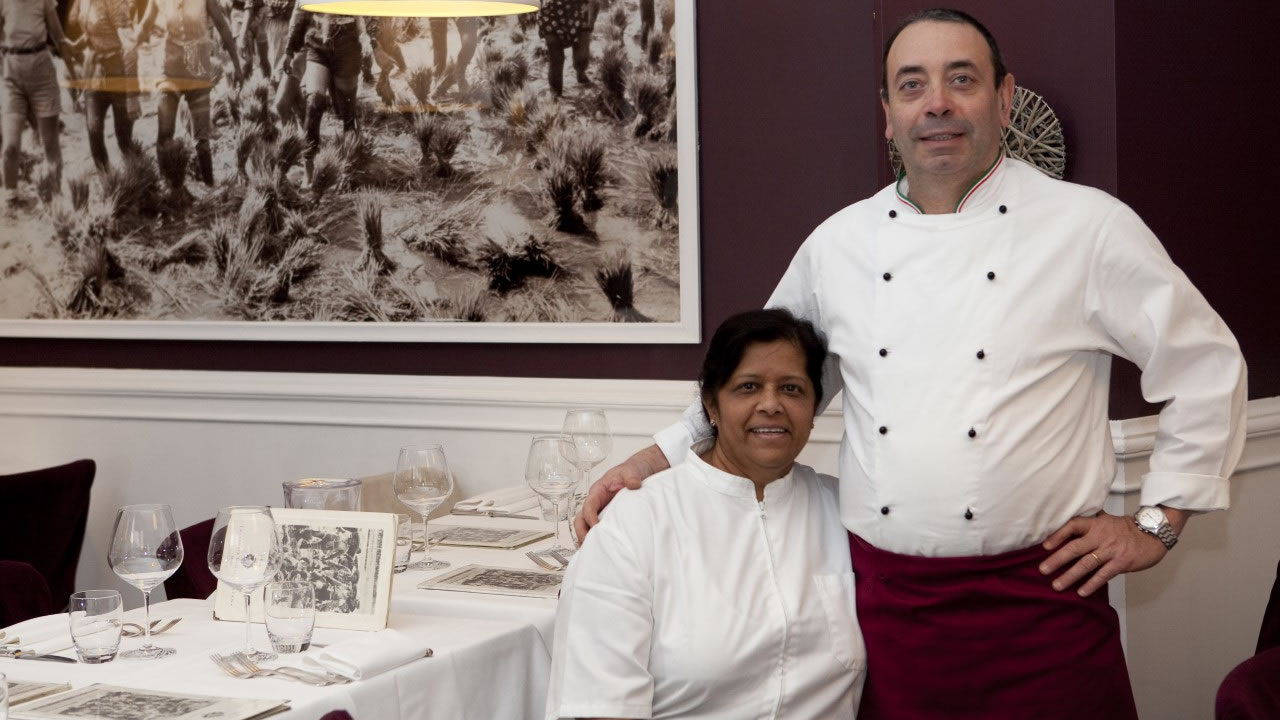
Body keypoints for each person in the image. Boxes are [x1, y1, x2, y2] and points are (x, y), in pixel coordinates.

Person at [578, 8, 1248, 719]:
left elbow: (1206, 365)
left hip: (1042, 606)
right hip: (891, 611)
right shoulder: (840, 244)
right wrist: (653, 460)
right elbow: (759, 381)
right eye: (912, 85)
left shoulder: (1088, 226)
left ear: (1005, 97)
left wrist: (1157, 524)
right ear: (888, 113)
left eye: (962, 80)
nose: (938, 104)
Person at [546, 308, 864, 719]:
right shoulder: (635, 524)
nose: (771, 404)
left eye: (792, 389)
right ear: (710, 406)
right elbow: (597, 706)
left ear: (813, 409)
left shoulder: (842, 512)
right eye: (748, 387)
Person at [137, 0, 242, 186]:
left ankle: (210, 188)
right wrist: (129, 53)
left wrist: (236, 64)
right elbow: (144, 26)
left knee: (201, 139)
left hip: (197, 70)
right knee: (165, 132)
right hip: (169, 69)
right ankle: (169, 188)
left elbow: (223, 26)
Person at [1, 0, 75, 204]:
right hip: (12, 76)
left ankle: (55, 199)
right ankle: (11, 199)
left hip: (42, 75)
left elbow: (60, 39)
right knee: (10, 146)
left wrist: (75, 79)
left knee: (50, 143)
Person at [65, 0, 136, 172]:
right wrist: (77, 45)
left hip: (118, 74)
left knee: (123, 139)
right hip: (95, 72)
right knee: (94, 132)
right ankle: (108, 183)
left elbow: (130, 47)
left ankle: (140, 181)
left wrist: (133, 94)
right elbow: (92, 31)